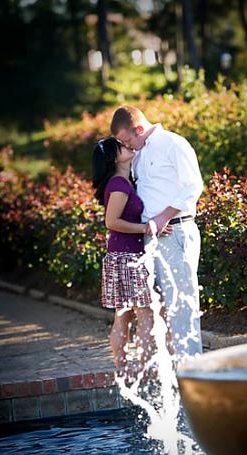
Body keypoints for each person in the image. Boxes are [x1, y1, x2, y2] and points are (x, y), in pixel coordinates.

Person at [110, 105, 204, 360]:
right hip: (149, 239)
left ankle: (193, 371)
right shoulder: (137, 153)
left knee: (182, 304)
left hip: (176, 231)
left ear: (139, 129)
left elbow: (193, 186)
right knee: (157, 309)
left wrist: (163, 216)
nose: (126, 145)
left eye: (127, 139)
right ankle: (174, 372)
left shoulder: (174, 144)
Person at [92, 137, 166, 373]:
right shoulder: (120, 185)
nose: (128, 146)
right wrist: (147, 227)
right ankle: (146, 367)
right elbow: (111, 222)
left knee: (123, 314)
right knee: (144, 312)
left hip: (121, 255)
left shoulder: (123, 182)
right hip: (128, 257)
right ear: (114, 157)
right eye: (122, 146)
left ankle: (122, 368)